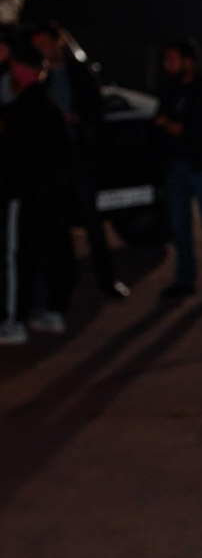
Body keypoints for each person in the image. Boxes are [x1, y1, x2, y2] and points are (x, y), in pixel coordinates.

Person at [30, 21, 130, 300]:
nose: (42, 49)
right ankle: (59, 283)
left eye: (45, 43)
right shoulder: (38, 76)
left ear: (58, 42)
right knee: (53, 222)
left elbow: (96, 111)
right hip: (50, 158)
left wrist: (79, 119)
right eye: (37, 45)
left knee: (91, 218)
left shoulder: (78, 72)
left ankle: (107, 278)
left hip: (76, 154)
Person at [0, 34, 77, 344]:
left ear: (21, 68)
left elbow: (12, 157)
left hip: (23, 196)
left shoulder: (23, 109)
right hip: (48, 196)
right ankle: (51, 313)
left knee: (16, 258)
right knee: (46, 254)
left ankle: (13, 322)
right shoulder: (48, 106)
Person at [156, 39, 202, 301]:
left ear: (189, 61)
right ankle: (184, 280)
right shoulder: (170, 89)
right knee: (179, 226)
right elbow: (160, 119)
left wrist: (183, 129)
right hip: (176, 166)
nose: (167, 65)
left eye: (173, 59)